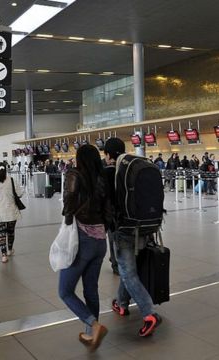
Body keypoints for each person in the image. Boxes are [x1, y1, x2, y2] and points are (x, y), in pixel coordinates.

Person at [59, 144, 111, 351]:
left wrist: (68, 216)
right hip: (100, 240)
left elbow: (69, 201)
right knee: (91, 290)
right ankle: (91, 335)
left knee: (65, 291)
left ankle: (94, 325)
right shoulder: (103, 178)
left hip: (82, 238)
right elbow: (108, 208)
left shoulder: (74, 174)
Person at [110, 155, 163, 338]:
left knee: (128, 273)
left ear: (109, 155)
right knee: (130, 270)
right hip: (146, 227)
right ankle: (121, 303)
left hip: (125, 229)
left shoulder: (115, 172)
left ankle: (149, 314)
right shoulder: (136, 166)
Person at [102, 138, 123, 274]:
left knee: (113, 237)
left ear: (108, 155)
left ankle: (116, 264)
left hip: (114, 215)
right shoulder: (129, 167)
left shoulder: (107, 172)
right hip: (132, 214)